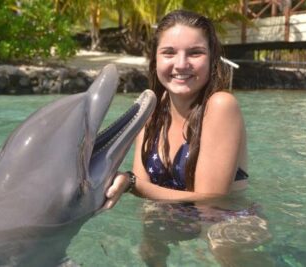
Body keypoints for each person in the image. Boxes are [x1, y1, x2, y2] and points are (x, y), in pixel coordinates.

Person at [102, 9, 255, 267]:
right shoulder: (151, 110)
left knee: (219, 242)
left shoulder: (220, 105)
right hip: (171, 219)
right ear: (155, 59)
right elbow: (145, 187)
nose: (181, 64)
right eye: (169, 52)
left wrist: (128, 183)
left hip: (226, 225)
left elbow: (210, 199)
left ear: (212, 59)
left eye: (195, 52)